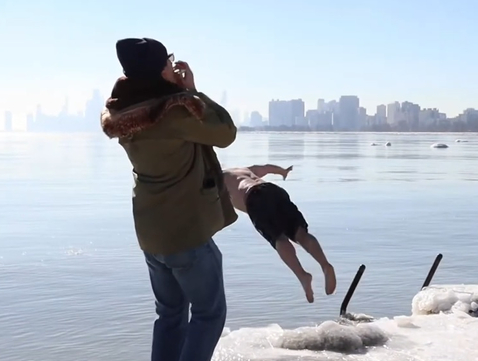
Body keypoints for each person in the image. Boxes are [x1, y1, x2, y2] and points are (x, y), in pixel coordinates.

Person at [99, 37, 238, 361]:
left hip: (151, 234)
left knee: (170, 316)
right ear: (159, 71)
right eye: (168, 62)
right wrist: (190, 91)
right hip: (185, 233)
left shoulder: (123, 114)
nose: (173, 66)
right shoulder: (174, 114)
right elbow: (226, 132)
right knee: (209, 314)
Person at [222, 164, 336, 303]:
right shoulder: (243, 170)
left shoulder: (218, 180)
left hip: (254, 197)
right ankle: (325, 265)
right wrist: (283, 172)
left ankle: (302, 276)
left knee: (279, 240)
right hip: (274, 190)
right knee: (300, 233)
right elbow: (267, 168)